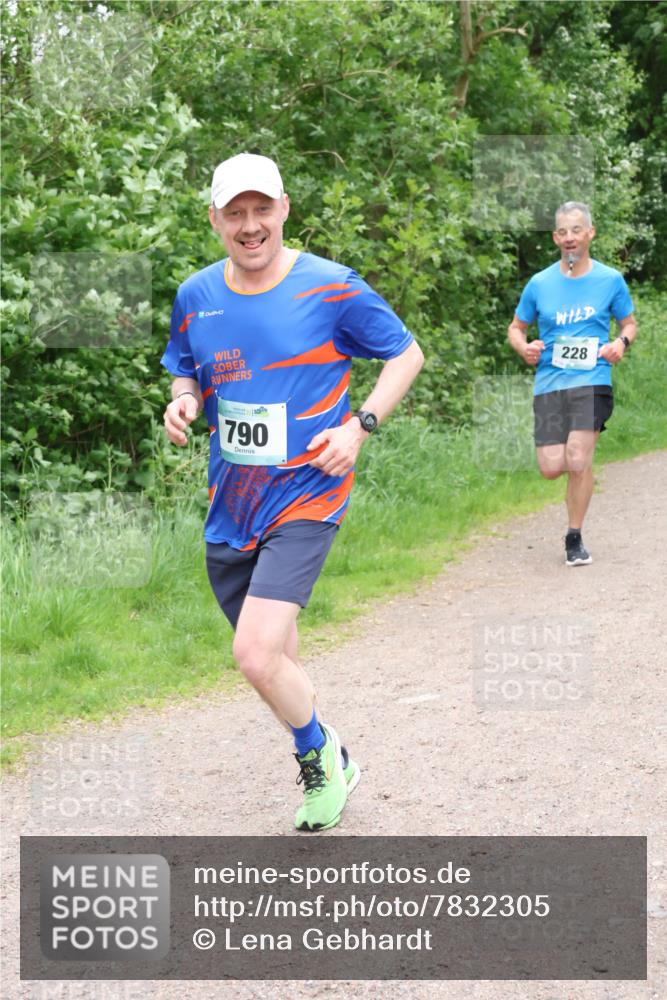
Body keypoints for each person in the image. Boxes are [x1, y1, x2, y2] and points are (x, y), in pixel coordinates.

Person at [161, 153, 423, 831]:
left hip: (308, 493)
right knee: (275, 661)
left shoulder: (330, 288)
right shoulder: (195, 296)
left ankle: (317, 755)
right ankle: (327, 749)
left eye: (261, 210)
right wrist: (183, 402)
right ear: (214, 218)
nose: (250, 226)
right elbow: (185, 371)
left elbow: (406, 354)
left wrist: (359, 426)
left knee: (252, 654)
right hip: (233, 502)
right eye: (234, 213)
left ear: (283, 209)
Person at [507, 201, 636, 566]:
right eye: (562, 232)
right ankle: (583, 465)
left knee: (577, 458)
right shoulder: (540, 283)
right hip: (550, 382)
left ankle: (574, 537)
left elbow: (629, 323)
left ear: (590, 233)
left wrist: (619, 344)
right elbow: (516, 328)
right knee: (551, 467)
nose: (569, 238)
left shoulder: (610, 280)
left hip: (593, 380)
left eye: (576, 230)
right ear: (554, 238)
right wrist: (524, 347)